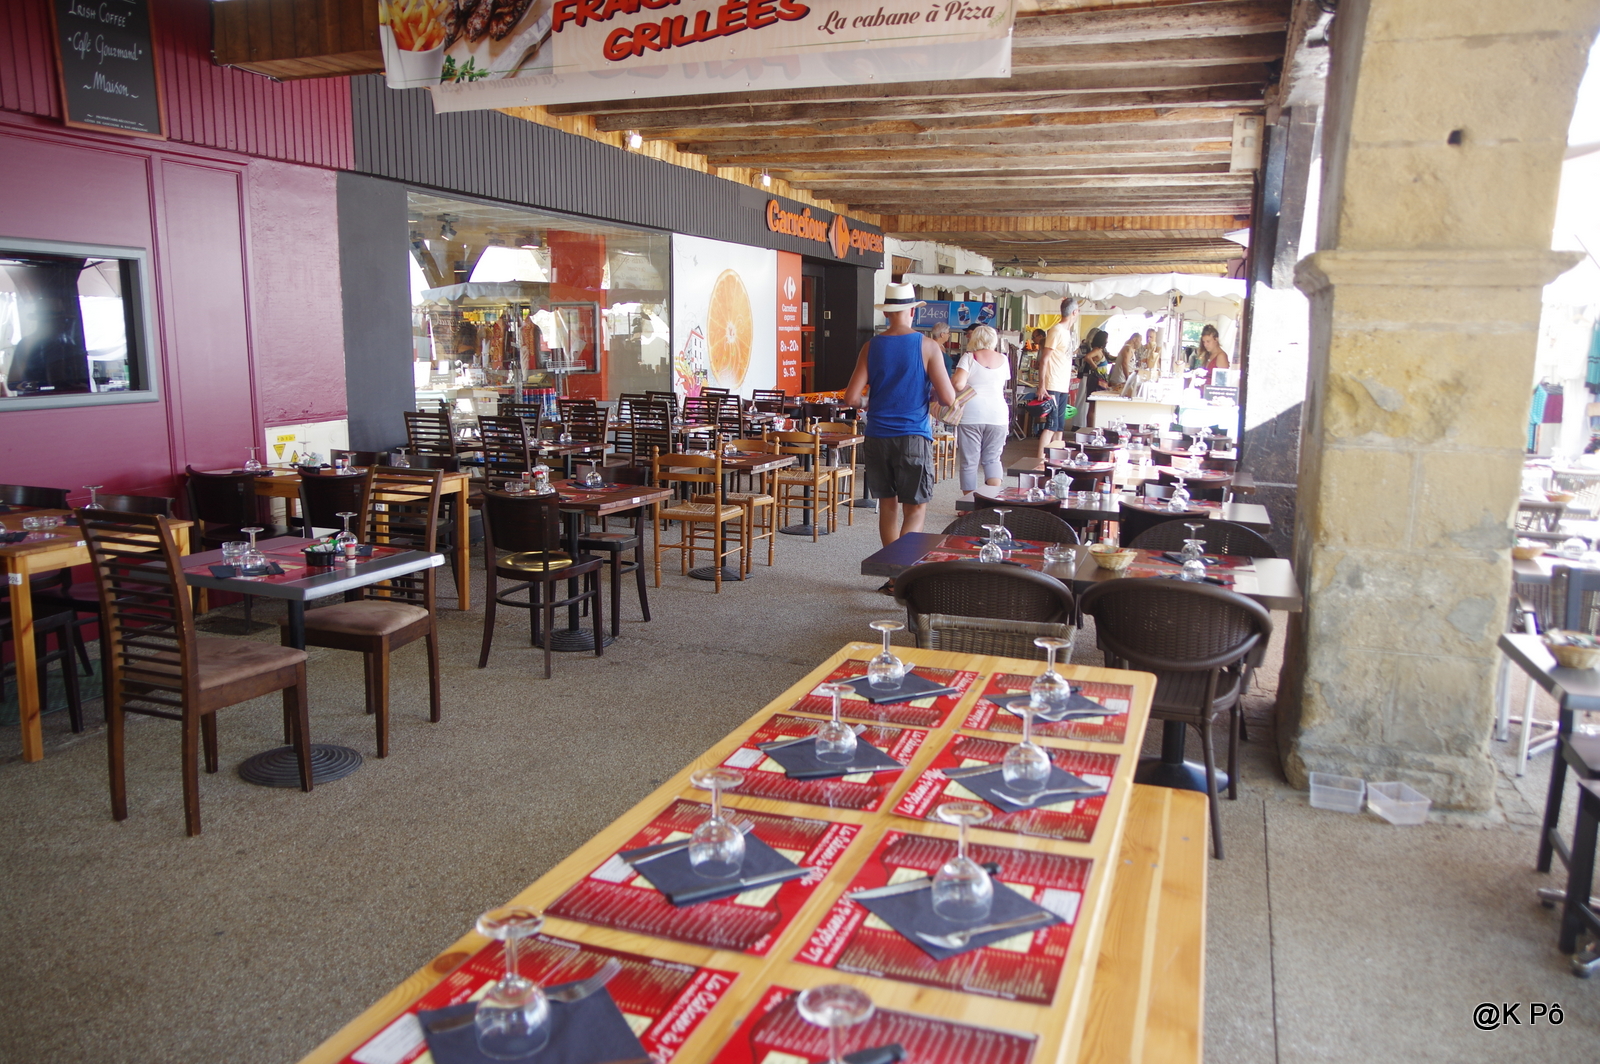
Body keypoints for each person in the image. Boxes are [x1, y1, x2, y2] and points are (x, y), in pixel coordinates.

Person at [845, 283, 957, 556]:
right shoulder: (928, 347)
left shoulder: (871, 347)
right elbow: (948, 398)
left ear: (886, 313)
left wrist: (868, 402)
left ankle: (894, 570)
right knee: (916, 508)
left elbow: (851, 398)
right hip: (913, 436)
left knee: (887, 506)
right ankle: (902, 569)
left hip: (877, 436)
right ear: (912, 311)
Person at [950, 324, 1011, 498]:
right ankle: (992, 499)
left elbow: (958, 384)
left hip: (972, 414)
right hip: (998, 414)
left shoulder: (969, 357)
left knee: (970, 462)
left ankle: (969, 504)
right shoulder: (1003, 359)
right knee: (992, 459)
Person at [1035, 296, 1079, 459]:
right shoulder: (1056, 330)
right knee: (1051, 425)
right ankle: (1040, 459)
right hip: (1052, 383)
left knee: (1059, 426)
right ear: (1074, 312)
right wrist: (1042, 385)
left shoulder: (1066, 332)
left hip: (1062, 384)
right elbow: (1044, 359)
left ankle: (1056, 459)